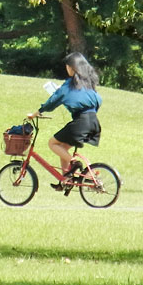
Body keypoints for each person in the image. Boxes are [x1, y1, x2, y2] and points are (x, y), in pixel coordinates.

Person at [32, 52, 102, 190]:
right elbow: (97, 101)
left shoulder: (70, 84)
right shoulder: (88, 83)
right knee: (62, 148)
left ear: (72, 68)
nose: (66, 68)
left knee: (52, 143)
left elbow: (53, 100)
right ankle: (66, 179)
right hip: (93, 122)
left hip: (81, 122)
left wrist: (37, 112)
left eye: (67, 66)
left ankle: (74, 163)